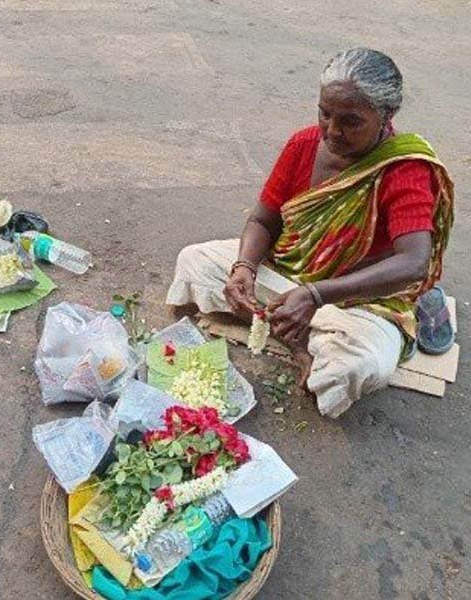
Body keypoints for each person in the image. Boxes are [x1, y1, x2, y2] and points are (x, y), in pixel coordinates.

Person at [167, 48, 454, 418]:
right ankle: (302, 338)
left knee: (354, 366)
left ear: (387, 115)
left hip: (358, 296)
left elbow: (414, 261)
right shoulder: (303, 145)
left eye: (351, 121)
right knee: (194, 263)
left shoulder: (404, 169)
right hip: (291, 274)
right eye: (325, 113)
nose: (332, 131)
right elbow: (262, 221)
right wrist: (244, 268)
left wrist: (316, 295)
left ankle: (343, 327)